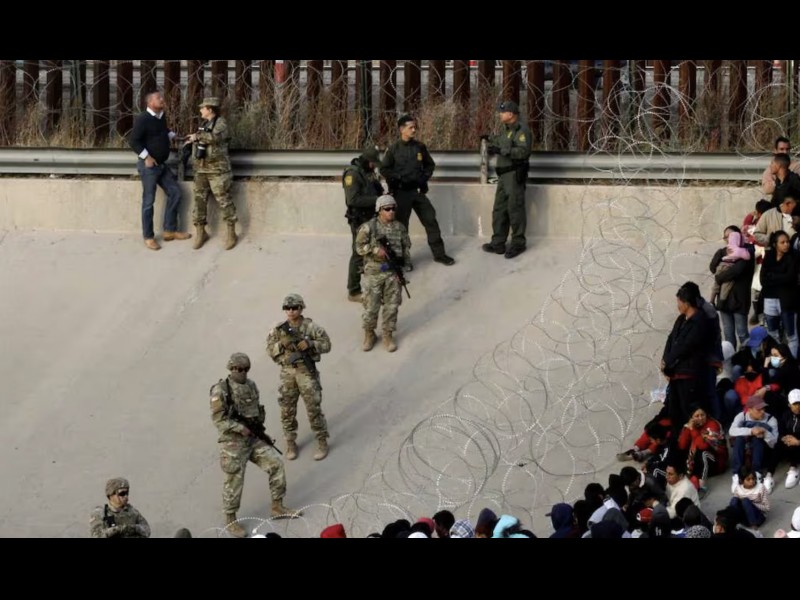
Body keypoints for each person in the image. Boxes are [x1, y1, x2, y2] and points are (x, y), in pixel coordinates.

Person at [210, 352, 301, 537]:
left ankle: (277, 507)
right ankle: (230, 520)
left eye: (246, 369)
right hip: (233, 442)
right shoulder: (221, 390)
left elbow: (255, 414)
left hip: (252, 438)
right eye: (239, 369)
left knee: (276, 464)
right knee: (234, 479)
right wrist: (239, 428)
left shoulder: (251, 386)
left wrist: (261, 433)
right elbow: (219, 420)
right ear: (231, 368)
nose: (243, 373)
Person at [380, 114, 454, 269]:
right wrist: (398, 177)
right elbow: (384, 169)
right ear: (402, 129)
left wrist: (424, 178)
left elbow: (429, 165)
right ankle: (402, 259)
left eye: (415, 127)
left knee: (430, 219)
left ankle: (439, 254)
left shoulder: (420, 147)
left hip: (417, 191)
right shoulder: (393, 149)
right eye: (410, 127)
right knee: (401, 227)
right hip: (401, 193)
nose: (414, 130)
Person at [266, 293, 331, 461]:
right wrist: (281, 346)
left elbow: (326, 345)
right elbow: (270, 349)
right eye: (287, 308)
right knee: (287, 409)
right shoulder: (279, 330)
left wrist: (311, 344)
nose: (291, 311)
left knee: (313, 408)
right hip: (288, 372)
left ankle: (322, 441)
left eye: (294, 308)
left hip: (306, 371)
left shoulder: (311, 327)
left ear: (301, 308)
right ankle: (290, 442)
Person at [128, 90, 191, 251]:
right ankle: (148, 237)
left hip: (162, 165)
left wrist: (176, 137)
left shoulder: (160, 116)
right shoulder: (143, 119)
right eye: (158, 98)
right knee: (148, 202)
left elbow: (163, 130)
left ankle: (169, 230)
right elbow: (133, 141)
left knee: (175, 192)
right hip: (149, 167)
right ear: (150, 102)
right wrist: (146, 157)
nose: (162, 99)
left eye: (162, 97)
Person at [355, 194, 411, 353]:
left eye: (393, 208)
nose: (391, 211)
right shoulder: (369, 227)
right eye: (387, 209)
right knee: (371, 307)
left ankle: (387, 334)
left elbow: (405, 248)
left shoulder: (399, 227)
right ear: (379, 210)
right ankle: (369, 334)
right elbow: (358, 247)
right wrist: (374, 250)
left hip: (392, 273)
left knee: (392, 306)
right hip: (374, 272)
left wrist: (403, 269)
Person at [481, 100, 533, 259]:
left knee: (515, 209)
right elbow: (501, 141)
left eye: (502, 112)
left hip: (514, 175)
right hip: (503, 176)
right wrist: (489, 139)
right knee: (499, 210)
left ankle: (518, 243)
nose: (500, 114)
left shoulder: (521, 130)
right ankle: (498, 242)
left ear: (511, 114)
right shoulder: (507, 130)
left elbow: (523, 152)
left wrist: (501, 150)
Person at [661, 283, 711, 439]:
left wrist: (668, 361)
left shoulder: (700, 322)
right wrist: (665, 360)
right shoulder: (681, 319)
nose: (678, 305)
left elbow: (685, 346)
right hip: (676, 373)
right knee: (674, 410)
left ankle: (688, 443)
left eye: (679, 302)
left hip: (689, 374)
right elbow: (671, 339)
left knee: (686, 411)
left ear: (686, 303)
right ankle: (677, 442)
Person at [187, 97, 238, 251]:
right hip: (201, 169)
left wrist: (197, 137)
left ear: (210, 109)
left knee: (223, 200)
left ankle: (231, 233)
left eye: (203, 108)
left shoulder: (221, 123)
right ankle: (201, 232)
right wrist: (193, 140)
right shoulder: (204, 124)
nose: (200, 110)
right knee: (199, 201)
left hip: (218, 170)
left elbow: (215, 138)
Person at [343, 146, 385, 302]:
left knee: (375, 251)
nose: (374, 166)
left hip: (371, 217)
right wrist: (377, 200)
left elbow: (376, 188)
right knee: (358, 253)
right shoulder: (352, 174)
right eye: (373, 163)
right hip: (359, 220)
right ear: (367, 161)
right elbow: (353, 200)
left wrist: (383, 195)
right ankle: (353, 291)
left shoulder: (368, 172)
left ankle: (375, 285)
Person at [729, 394, 779, 495]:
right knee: (739, 439)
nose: (762, 411)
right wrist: (751, 431)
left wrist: (765, 433)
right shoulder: (742, 416)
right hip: (745, 454)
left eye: (763, 408)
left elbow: (774, 443)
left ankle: (757, 474)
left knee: (758, 439)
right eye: (758, 409)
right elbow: (731, 431)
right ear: (750, 410)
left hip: (763, 455)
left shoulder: (771, 419)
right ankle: (736, 475)